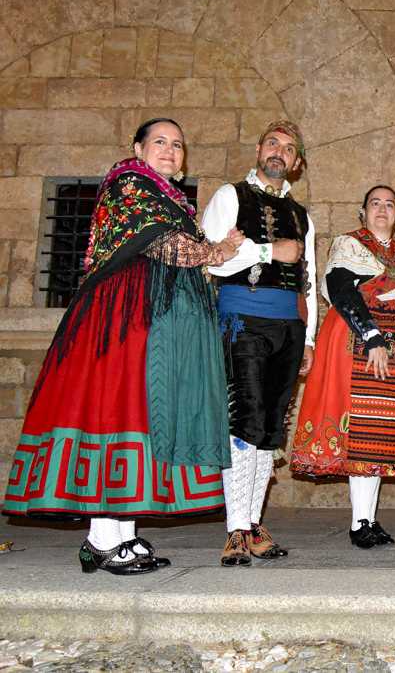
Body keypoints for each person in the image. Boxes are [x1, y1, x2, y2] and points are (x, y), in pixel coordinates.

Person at [3, 118, 239, 574]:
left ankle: (122, 535)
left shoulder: (169, 197)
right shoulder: (129, 183)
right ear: (138, 148)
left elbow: (180, 246)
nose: (170, 150)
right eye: (160, 142)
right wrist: (218, 252)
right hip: (124, 315)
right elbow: (169, 248)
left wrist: (214, 248)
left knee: (142, 414)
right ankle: (102, 539)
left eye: (177, 144)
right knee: (118, 408)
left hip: (151, 319)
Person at [291, 185, 395, 548]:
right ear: (362, 211)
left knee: (379, 435)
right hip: (361, 343)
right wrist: (372, 337)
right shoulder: (350, 244)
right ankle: (360, 521)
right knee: (363, 430)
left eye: (390, 204)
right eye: (375, 203)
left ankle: (369, 519)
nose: (382, 209)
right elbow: (341, 291)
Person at [201, 120, 317, 567]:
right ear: (257, 149)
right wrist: (268, 251)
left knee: (270, 430)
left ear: (296, 162)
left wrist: (309, 337)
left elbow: (307, 282)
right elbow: (211, 258)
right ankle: (235, 528)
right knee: (244, 421)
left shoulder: (303, 216)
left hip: (288, 326)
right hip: (242, 319)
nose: (278, 152)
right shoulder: (230, 196)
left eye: (288, 148)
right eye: (272, 143)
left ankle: (252, 523)